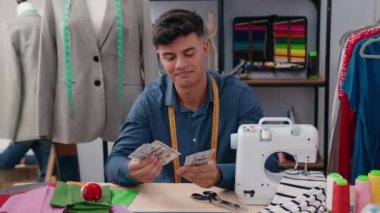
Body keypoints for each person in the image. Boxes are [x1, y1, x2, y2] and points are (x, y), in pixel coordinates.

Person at [105, 9, 263, 190]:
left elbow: (265, 163)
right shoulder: (149, 100)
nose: (180, 65)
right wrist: (131, 170)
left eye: (189, 54)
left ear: (205, 48)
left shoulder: (240, 97)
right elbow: (113, 165)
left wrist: (221, 174)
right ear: (159, 57)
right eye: (169, 57)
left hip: (223, 202)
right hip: (167, 205)